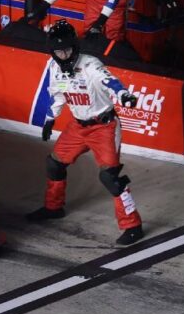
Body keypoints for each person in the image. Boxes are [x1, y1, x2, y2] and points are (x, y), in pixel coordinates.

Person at [27, 20, 145, 246]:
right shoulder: (54, 67)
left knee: (111, 178)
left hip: (104, 127)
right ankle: (53, 208)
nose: (63, 55)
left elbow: (111, 82)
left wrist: (125, 96)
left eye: (67, 50)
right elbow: (60, 93)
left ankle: (133, 225)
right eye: (58, 52)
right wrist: (51, 118)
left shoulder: (91, 66)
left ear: (75, 47)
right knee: (54, 163)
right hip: (78, 126)